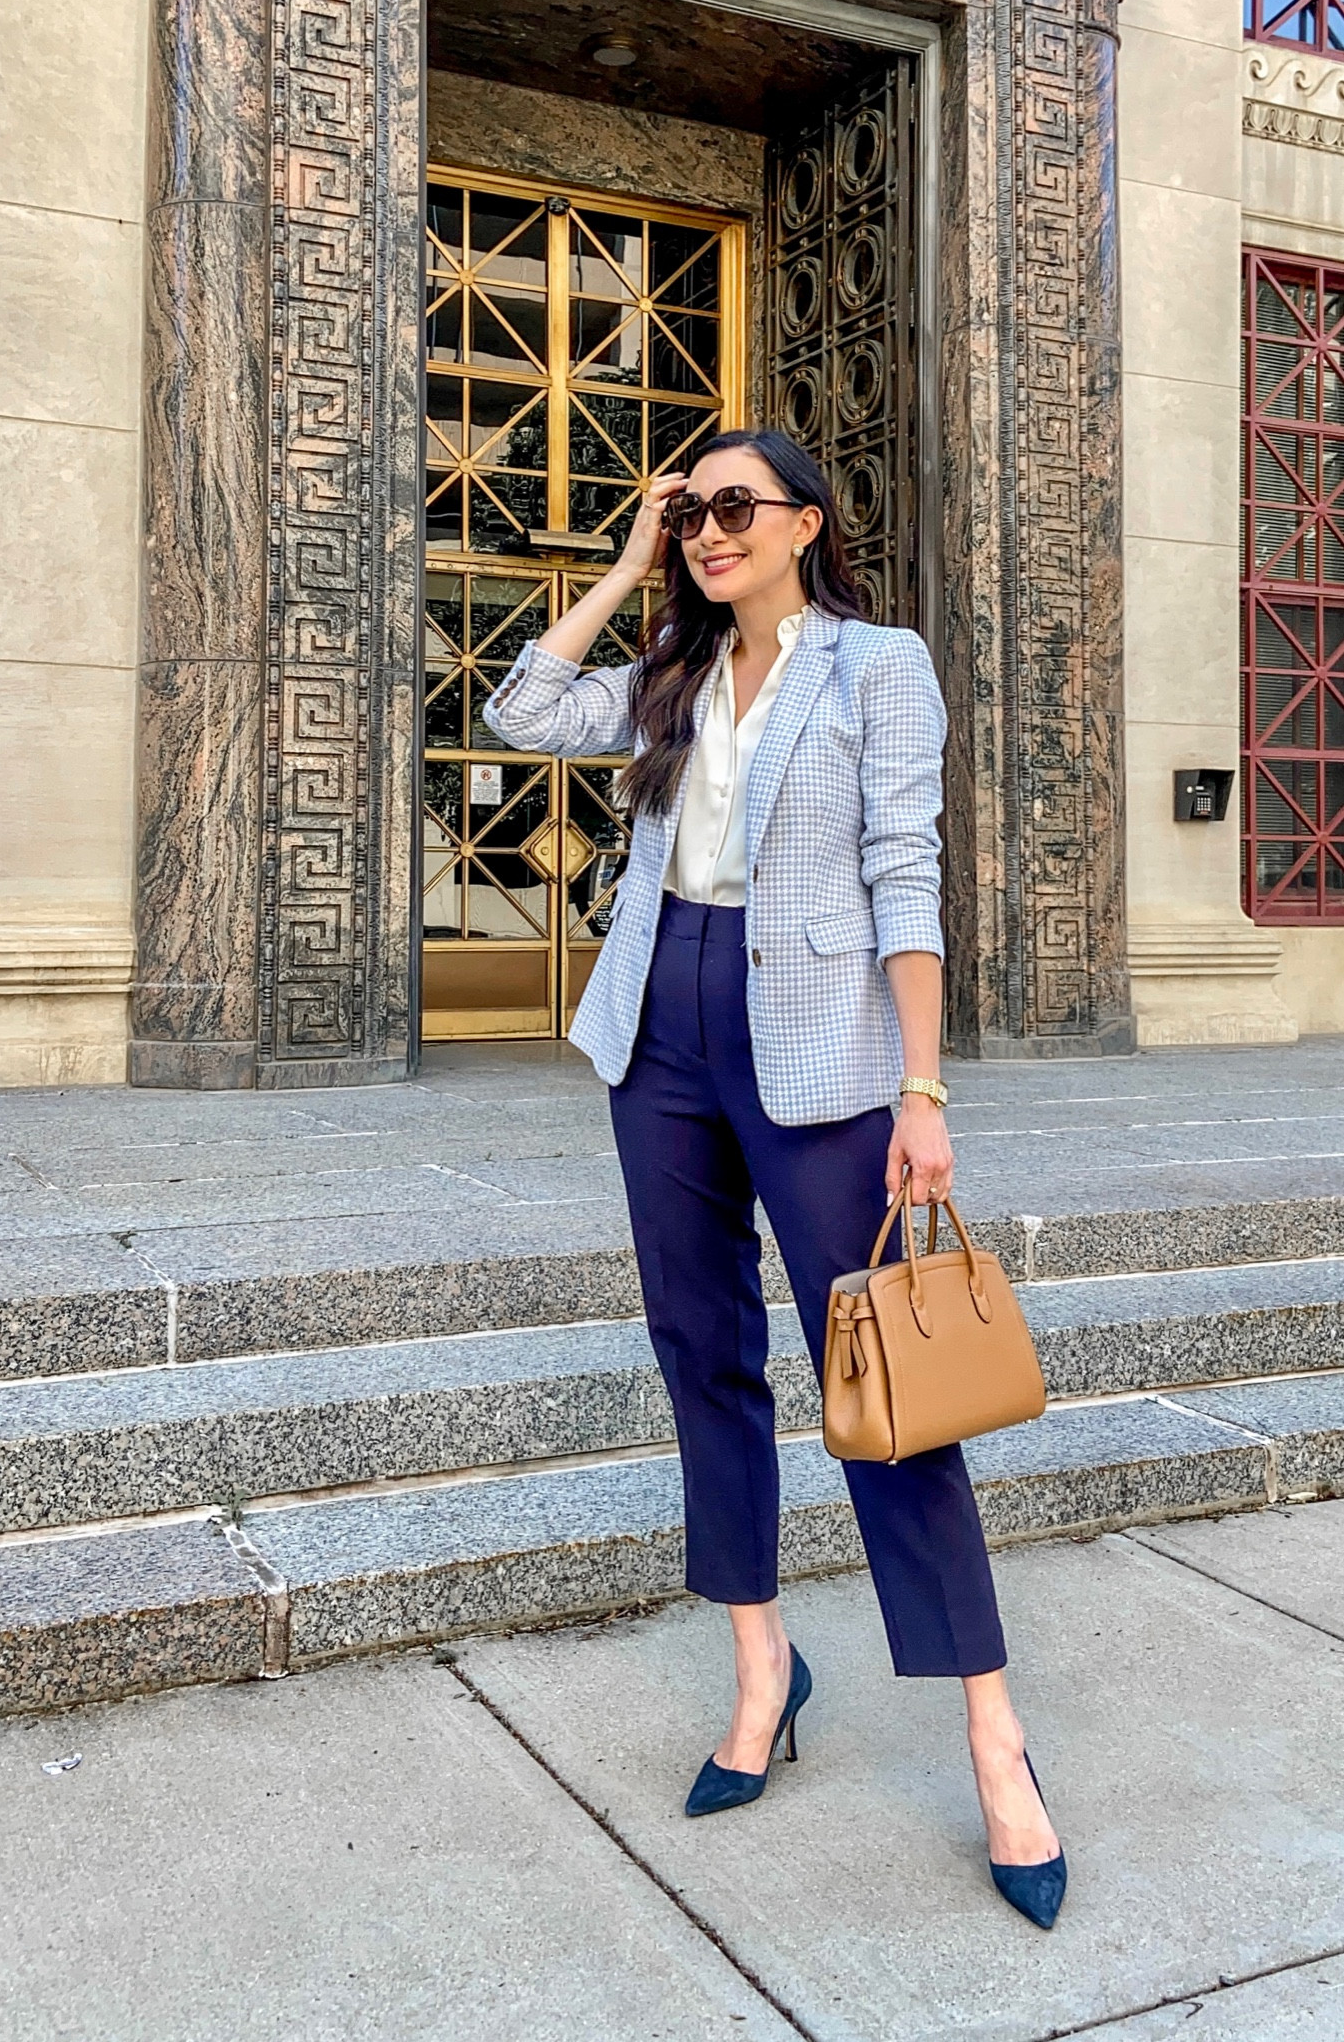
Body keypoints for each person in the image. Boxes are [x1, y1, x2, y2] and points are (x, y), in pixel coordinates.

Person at [484, 428, 1066, 1929]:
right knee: (702, 1358)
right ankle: (762, 1669)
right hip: (659, 1028)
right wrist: (625, 559)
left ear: (806, 522)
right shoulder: (669, 677)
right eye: (692, 512)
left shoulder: (874, 664)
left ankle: (994, 1743)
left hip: (816, 1041)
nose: (708, 529)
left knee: (883, 1391)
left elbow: (904, 866)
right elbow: (522, 704)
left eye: (735, 507)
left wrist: (920, 1084)